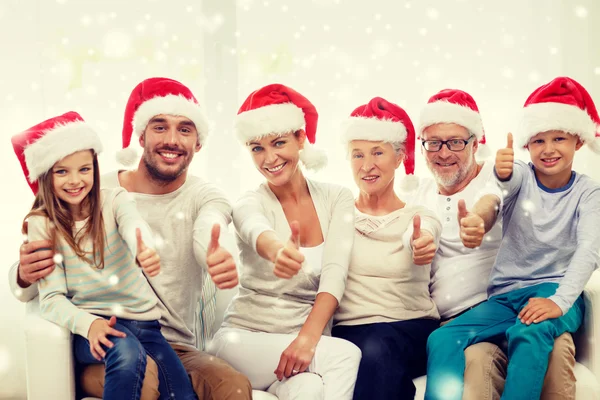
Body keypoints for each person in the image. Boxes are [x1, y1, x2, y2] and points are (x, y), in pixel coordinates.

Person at [9, 78, 252, 400]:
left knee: (231, 386)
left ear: (198, 143)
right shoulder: (91, 188)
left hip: (171, 343)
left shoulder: (203, 196)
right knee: (143, 377)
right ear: (141, 135)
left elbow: (206, 227)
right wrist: (23, 274)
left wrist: (214, 252)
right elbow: (38, 284)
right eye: (159, 126)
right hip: (105, 340)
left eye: (185, 129)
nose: (172, 139)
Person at [424, 76, 600, 400]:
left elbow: (590, 251)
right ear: (526, 145)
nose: (548, 149)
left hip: (557, 291)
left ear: (578, 141)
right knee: (442, 339)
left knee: (530, 333)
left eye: (558, 138)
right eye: (538, 141)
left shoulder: (589, 193)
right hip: (506, 295)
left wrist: (559, 302)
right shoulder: (519, 173)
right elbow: (495, 193)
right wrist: (478, 216)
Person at [11, 111, 196, 400]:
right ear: (46, 176)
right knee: (126, 352)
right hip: (94, 323)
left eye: (84, 169)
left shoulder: (114, 200)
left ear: (95, 168)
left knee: (182, 395)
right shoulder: (42, 224)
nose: (75, 180)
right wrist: (90, 325)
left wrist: (143, 247)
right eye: (62, 171)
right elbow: (51, 299)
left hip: (145, 325)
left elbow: (134, 224)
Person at [208, 83, 361, 400]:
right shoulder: (249, 202)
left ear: (301, 139)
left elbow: (335, 274)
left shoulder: (337, 198)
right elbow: (256, 229)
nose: (269, 158)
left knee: (310, 387)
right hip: (243, 341)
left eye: (279, 143)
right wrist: (277, 250)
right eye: (256, 148)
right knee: (346, 356)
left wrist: (306, 340)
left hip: (295, 348)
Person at [330, 97, 441, 399]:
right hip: (350, 330)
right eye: (357, 155)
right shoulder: (336, 216)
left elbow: (420, 235)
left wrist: (419, 244)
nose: (367, 165)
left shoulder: (419, 216)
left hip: (412, 327)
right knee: (373, 350)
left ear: (399, 156)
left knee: (379, 349)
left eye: (378, 152)